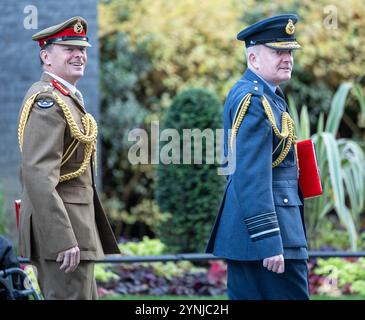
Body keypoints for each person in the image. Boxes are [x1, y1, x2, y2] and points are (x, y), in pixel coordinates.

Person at [206, 14, 309, 300]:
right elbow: (250, 176)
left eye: (289, 51)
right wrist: (268, 240)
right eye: (278, 51)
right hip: (268, 237)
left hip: (259, 234)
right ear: (253, 60)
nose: (287, 57)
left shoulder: (269, 95)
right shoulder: (254, 101)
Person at [17, 16, 120, 300]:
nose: (79, 55)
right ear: (46, 57)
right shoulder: (47, 103)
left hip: (74, 227)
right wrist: (61, 238)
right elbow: (38, 174)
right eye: (69, 49)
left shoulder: (67, 97)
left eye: (82, 49)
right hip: (63, 234)